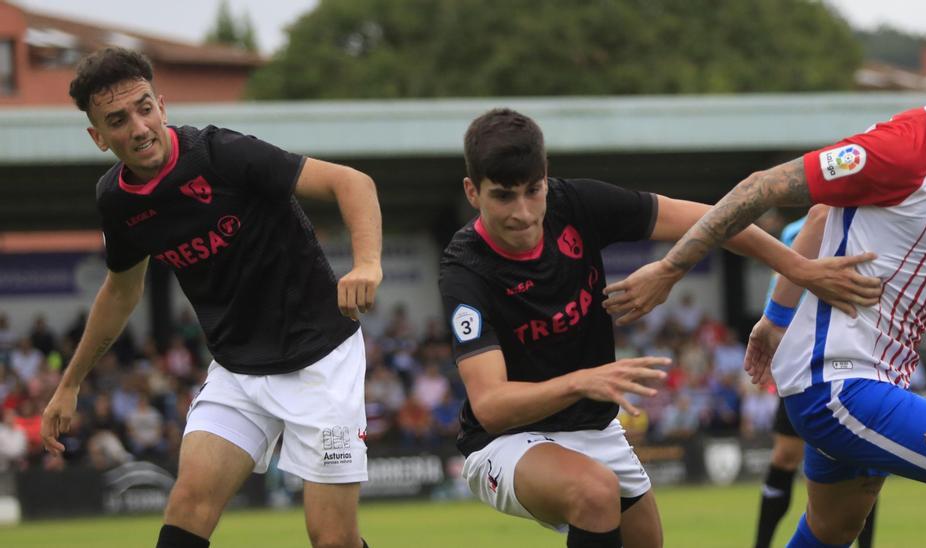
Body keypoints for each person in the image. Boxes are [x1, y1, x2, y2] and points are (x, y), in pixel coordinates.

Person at [604, 19, 926, 548]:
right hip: (842, 386)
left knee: (831, 531)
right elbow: (762, 187)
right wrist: (671, 267)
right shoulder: (904, 148)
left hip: (851, 381)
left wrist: (776, 320)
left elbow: (825, 213)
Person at [438, 108, 881, 548]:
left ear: (546, 175)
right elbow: (491, 405)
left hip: (594, 429)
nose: (523, 213)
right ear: (472, 192)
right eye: (502, 196)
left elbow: (713, 221)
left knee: (645, 538)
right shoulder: (466, 269)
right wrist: (581, 382)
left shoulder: (575, 204)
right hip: (505, 441)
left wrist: (800, 270)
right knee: (594, 493)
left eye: (532, 191)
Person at [40, 47, 383, 548]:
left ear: (162, 105)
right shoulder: (116, 201)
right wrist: (69, 384)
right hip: (238, 373)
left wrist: (368, 263)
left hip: (320, 361)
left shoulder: (222, 153)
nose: (137, 127)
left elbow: (351, 182)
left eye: (143, 108)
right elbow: (120, 291)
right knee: (187, 511)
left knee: (332, 539)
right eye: (117, 120)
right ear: (98, 137)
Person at [753, 209, 878, 548]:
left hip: (855, 353)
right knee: (786, 456)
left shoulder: (873, 222)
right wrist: (774, 328)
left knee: (864, 457)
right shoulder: (804, 228)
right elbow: (782, 287)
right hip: (807, 357)